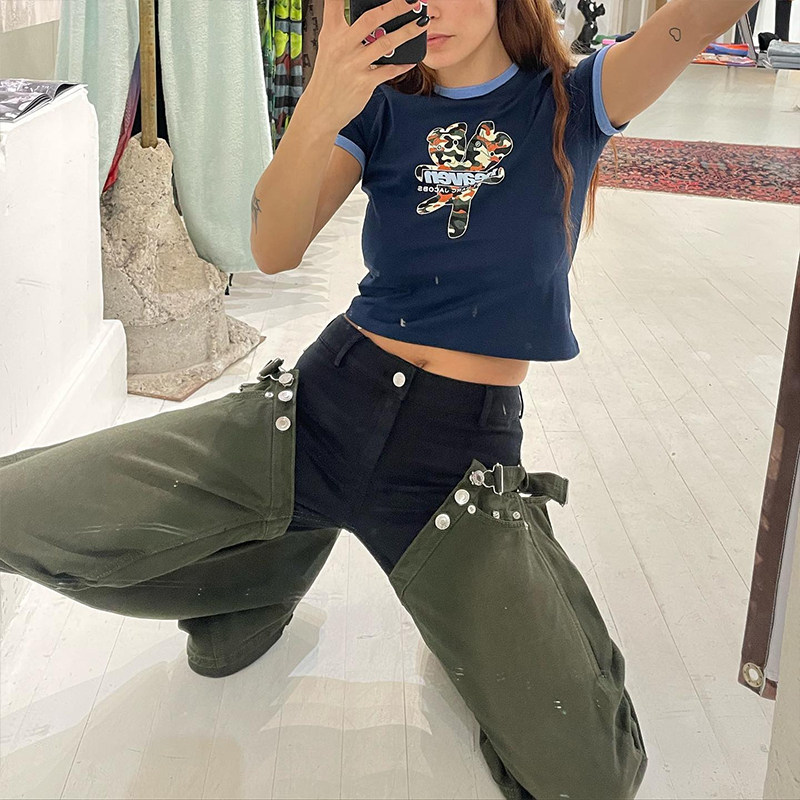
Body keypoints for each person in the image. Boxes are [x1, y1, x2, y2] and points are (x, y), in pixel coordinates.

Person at [2, 0, 657, 796]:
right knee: (16, 510)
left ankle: (430, 590)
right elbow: (274, 249)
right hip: (318, 414)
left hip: (458, 473)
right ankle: (261, 576)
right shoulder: (382, 101)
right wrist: (322, 97)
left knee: (592, 777)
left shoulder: (575, 97)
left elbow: (698, 20)